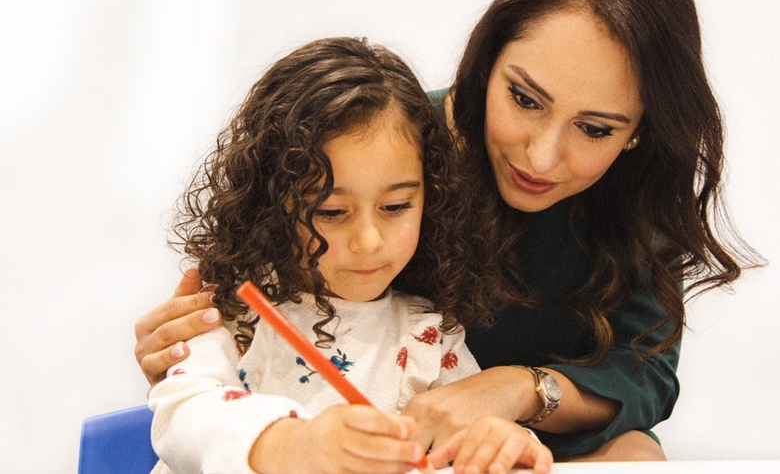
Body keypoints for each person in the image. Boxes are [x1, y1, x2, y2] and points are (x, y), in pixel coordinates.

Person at [136, 0, 764, 463]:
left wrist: (515, 403)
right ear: (485, 63)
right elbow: (195, 403)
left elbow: (644, 375)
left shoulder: (431, 337)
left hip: (484, 447)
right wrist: (189, 348)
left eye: (595, 129)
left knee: (635, 454)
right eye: (524, 98)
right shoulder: (393, 147)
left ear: (639, 132)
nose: (541, 157)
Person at [147, 37, 553, 474]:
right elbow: (183, 416)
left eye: (396, 207)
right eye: (332, 211)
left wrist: (504, 442)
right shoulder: (230, 312)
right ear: (269, 204)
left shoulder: (428, 335)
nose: (368, 241)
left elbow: (470, 430)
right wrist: (291, 444)